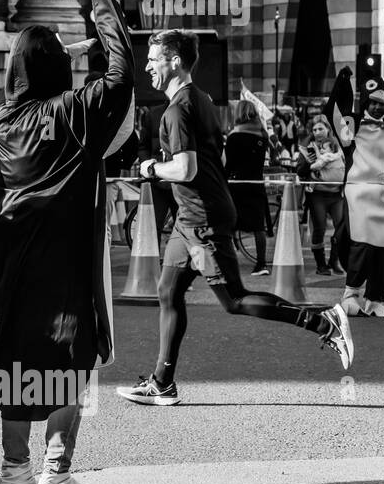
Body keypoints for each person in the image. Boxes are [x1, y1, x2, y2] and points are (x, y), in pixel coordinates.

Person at [118, 30, 353, 407]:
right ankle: (162, 382)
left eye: (153, 59)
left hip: (203, 221)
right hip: (189, 219)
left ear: (174, 61)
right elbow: (219, 161)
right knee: (168, 291)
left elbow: (186, 167)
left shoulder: (178, 109)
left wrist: (150, 168)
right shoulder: (203, 100)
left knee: (235, 299)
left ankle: (324, 321)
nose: (147, 66)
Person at [0, 0, 135, 484]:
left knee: (18, 360)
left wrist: (54, 55)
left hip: (14, 263)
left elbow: (28, 79)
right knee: (72, 363)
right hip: (65, 258)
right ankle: (56, 476)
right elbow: (121, 77)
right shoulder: (72, 112)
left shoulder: (0, 123)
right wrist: (104, 16)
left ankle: (12, 478)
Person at [333, 75, 384, 316]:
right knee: (361, 244)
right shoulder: (353, 124)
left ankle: (376, 299)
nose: (378, 107)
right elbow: (335, 112)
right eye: (373, 102)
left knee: (383, 248)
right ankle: (351, 294)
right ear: (365, 103)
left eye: (383, 103)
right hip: (358, 191)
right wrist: (342, 84)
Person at [224, 100, 273, 276]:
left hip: (237, 185)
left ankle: (228, 263)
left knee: (229, 224)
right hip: (256, 183)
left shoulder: (234, 136)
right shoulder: (262, 135)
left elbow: (229, 164)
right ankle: (261, 264)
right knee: (258, 226)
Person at [297, 114, 345, 276]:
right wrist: (311, 164)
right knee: (320, 229)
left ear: (328, 129)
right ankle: (321, 265)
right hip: (317, 194)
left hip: (336, 194)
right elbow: (300, 171)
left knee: (341, 228)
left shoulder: (337, 146)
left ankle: (334, 261)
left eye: (321, 128)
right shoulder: (308, 147)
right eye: (314, 129)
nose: (317, 132)